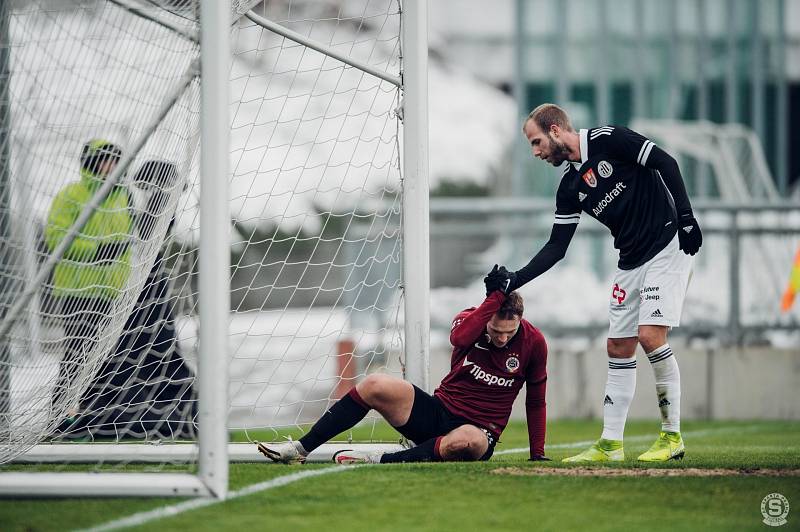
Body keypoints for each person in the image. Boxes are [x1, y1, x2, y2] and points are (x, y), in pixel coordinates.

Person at [493, 103, 702, 463]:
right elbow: (557, 247)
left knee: (650, 336)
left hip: (668, 246)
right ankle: (610, 444)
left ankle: (672, 436)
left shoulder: (610, 139)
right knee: (618, 347)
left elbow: (666, 162)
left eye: (537, 141)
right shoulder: (570, 187)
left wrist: (686, 217)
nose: (536, 151)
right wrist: (515, 279)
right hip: (630, 262)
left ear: (556, 130)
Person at [257, 287, 548, 464]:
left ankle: (381, 460)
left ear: (520, 321)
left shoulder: (534, 343)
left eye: (509, 332)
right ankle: (299, 449)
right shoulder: (470, 321)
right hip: (438, 411)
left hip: (480, 431)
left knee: (465, 442)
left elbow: (535, 401)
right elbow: (459, 339)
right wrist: (489, 304)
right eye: (495, 330)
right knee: (374, 384)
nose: (501, 337)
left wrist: (537, 452)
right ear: (487, 318)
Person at [59, 160, 197, 440]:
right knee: (122, 358)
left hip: (144, 295)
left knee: (148, 356)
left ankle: (112, 415)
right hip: (126, 296)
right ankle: (85, 414)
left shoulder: (149, 214)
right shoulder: (125, 206)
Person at [45, 139, 132, 414]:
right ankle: (58, 417)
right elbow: (55, 238)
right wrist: (96, 251)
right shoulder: (71, 194)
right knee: (77, 357)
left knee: (106, 358)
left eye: (116, 160)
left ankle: (93, 415)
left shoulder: (123, 198)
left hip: (111, 292)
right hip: (78, 293)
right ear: (91, 163)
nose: (111, 166)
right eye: (105, 159)